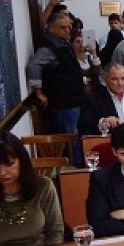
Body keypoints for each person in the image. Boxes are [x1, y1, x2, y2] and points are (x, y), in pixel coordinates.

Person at [26, 13, 86, 151]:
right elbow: (33, 66)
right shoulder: (48, 47)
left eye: (69, 27)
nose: (67, 30)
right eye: (62, 27)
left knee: (78, 136)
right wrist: (38, 92)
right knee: (71, 139)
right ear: (51, 28)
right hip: (64, 102)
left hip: (74, 99)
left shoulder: (63, 42)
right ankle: (74, 163)